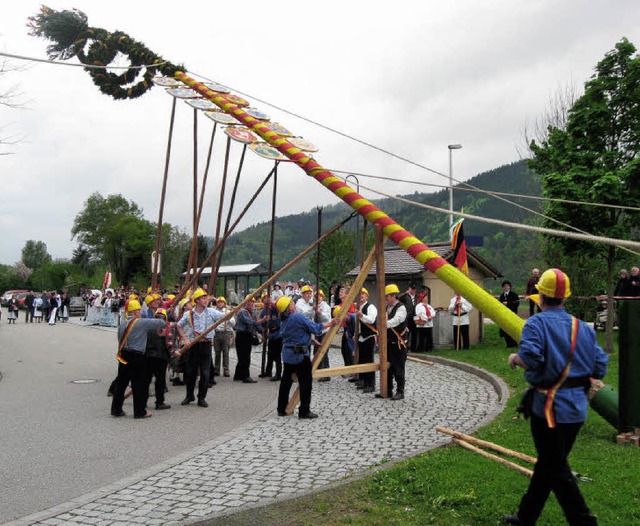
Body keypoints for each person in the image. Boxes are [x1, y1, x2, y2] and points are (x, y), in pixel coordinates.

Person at [504, 268, 608, 526]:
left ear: (540, 296)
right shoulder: (581, 327)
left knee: (556, 467)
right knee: (549, 463)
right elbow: (600, 367)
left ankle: (583, 520)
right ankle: (525, 517)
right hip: (576, 409)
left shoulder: (536, 324)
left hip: (548, 409)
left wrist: (514, 358)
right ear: (565, 298)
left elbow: (529, 357)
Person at [275, 295, 338, 418]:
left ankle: (281, 408)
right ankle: (304, 410)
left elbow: (296, 333)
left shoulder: (283, 320)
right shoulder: (297, 317)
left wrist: (310, 340)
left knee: (286, 382)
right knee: (306, 382)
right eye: (291, 303)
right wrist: (331, 323)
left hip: (288, 355)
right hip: (299, 355)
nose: (293, 303)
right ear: (289, 307)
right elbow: (315, 328)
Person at [110, 299, 167, 419]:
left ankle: (116, 409)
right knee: (140, 384)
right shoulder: (140, 322)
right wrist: (166, 310)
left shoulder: (123, 324)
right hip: (137, 356)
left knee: (121, 383)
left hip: (124, 354)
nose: (140, 312)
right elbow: (161, 323)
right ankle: (140, 411)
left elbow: (120, 339)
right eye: (139, 310)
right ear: (135, 311)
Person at [175, 288, 223, 407]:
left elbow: (225, 317)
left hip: (206, 345)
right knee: (190, 372)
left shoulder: (211, 312)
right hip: (193, 345)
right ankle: (189, 395)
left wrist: (231, 313)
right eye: (203, 298)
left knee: (205, 373)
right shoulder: (189, 314)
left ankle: (201, 397)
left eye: (206, 298)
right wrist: (185, 339)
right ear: (197, 300)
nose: (206, 300)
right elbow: (179, 326)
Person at [376, 284, 408, 400]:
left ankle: (400, 391)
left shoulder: (401, 308)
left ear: (393, 296)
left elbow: (397, 320)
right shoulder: (386, 307)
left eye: (387, 296)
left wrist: (385, 324)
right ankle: (387, 390)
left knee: (398, 367)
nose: (385, 298)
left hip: (399, 343)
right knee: (387, 367)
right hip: (388, 342)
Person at [233, 294, 268, 383]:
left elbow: (257, 326)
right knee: (244, 357)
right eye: (249, 302)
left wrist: (263, 332)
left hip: (248, 336)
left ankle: (238, 375)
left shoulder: (252, 313)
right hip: (242, 336)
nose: (251, 304)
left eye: (252, 302)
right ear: (245, 302)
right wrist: (262, 321)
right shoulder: (242, 312)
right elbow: (250, 323)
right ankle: (245, 376)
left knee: (244, 356)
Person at [145, 308, 172, 411]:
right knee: (160, 381)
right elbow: (169, 344)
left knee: (146, 380)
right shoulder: (165, 328)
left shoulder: (147, 327)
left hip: (148, 356)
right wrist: (173, 354)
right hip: (161, 357)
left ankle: (143, 402)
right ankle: (159, 402)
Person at [355, 287, 377, 393]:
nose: (361, 297)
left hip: (369, 336)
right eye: (360, 295)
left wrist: (361, 315)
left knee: (369, 361)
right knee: (362, 360)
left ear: (367, 296)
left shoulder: (370, 307)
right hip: (361, 337)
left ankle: (371, 384)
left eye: (363, 294)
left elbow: (371, 320)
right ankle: (363, 381)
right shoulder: (358, 307)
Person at [259, 294, 283, 381]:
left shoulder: (275, 308)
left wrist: (272, 304)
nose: (267, 299)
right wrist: (263, 331)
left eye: (268, 298)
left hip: (278, 333)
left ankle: (278, 374)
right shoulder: (263, 312)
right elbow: (261, 324)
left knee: (277, 355)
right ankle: (268, 371)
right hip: (270, 334)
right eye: (265, 298)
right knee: (270, 354)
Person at [212, 296, 235, 378]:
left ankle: (226, 370)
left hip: (226, 333)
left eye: (222, 302)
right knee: (217, 352)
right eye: (218, 302)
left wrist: (228, 319)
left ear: (224, 303)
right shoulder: (214, 312)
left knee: (226, 352)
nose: (220, 303)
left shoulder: (228, 311)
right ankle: (216, 370)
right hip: (217, 333)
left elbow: (233, 323)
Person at [499, 280, 520, 348]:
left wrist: (508, 303)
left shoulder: (514, 294)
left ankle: (514, 344)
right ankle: (508, 344)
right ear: (503, 287)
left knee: (512, 329)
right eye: (505, 286)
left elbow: (516, 304)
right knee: (505, 330)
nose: (506, 287)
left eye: (507, 286)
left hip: (512, 314)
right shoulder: (502, 295)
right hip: (504, 315)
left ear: (510, 287)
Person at [398, 282, 419, 352]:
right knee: (407, 333)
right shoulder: (405, 296)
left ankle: (414, 348)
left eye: (414, 289)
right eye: (412, 289)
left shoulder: (417, 296)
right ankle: (405, 347)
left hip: (415, 317)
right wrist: (405, 293)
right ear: (409, 289)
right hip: (408, 317)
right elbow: (397, 298)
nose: (413, 291)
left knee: (415, 333)